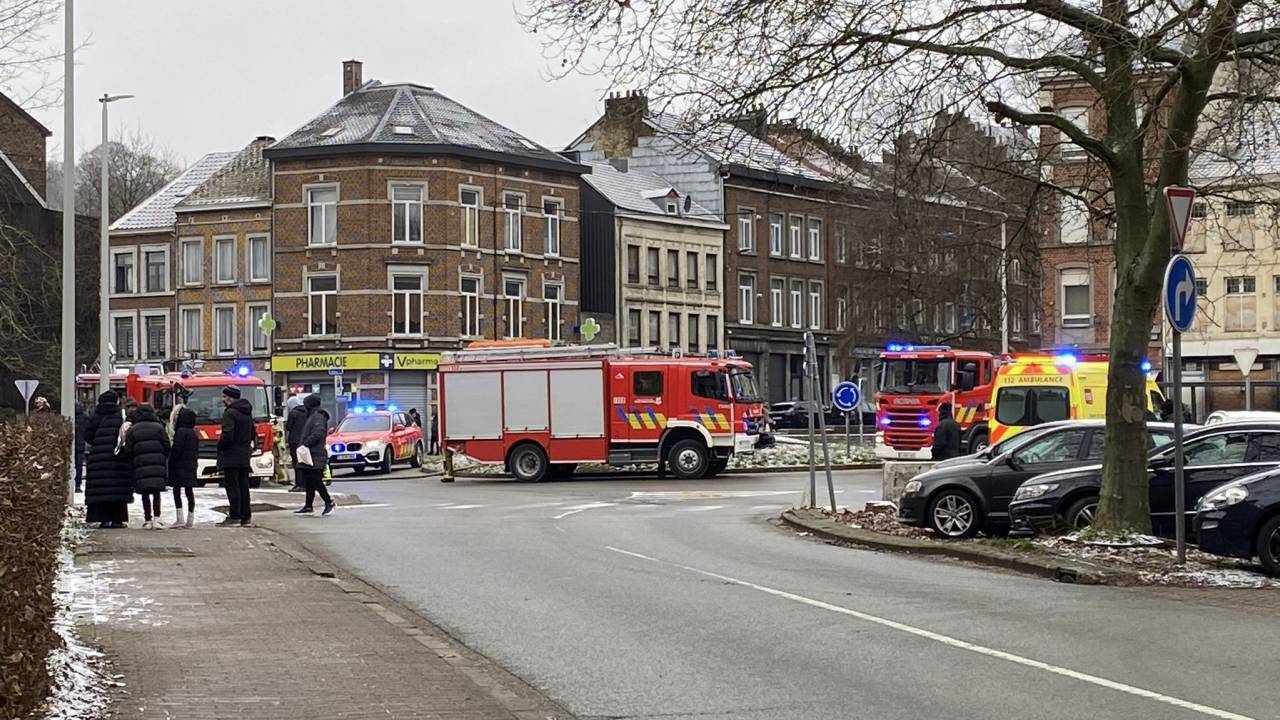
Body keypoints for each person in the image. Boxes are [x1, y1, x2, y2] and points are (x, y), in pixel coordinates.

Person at [84, 391, 133, 528]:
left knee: (101, 488)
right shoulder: (121, 416)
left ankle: (103, 518)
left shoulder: (95, 416)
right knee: (117, 487)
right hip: (117, 457)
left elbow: (87, 435)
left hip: (98, 458)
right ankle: (117, 519)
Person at [124, 404, 170, 530]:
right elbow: (167, 446)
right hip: (157, 464)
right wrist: (162, 457)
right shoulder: (159, 427)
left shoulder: (133, 429)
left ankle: (147, 519)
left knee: (145, 493)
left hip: (141, 465)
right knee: (156, 493)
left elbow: (128, 450)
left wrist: (134, 460)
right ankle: (157, 518)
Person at [216, 386, 255, 527]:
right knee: (244, 486)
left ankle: (234, 516)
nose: (223, 400)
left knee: (232, 486)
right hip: (244, 455)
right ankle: (246, 516)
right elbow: (252, 433)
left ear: (229, 398)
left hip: (231, 455)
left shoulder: (230, 413)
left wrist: (220, 446)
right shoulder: (247, 412)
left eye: (224, 397)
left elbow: (228, 435)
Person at [294, 394, 335, 516]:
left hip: (315, 454)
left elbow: (318, 433)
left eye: (306, 404)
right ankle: (308, 506)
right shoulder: (313, 415)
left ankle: (329, 502)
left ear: (310, 405)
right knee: (309, 481)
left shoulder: (317, 417)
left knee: (316, 480)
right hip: (311, 454)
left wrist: (305, 444)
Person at [168, 406, 199, 528]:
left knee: (177, 491)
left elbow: (177, 449)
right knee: (189, 492)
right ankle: (190, 518)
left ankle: (179, 517)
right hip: (191, 465)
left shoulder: (180, 432)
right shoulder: (194, 432)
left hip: (179, 465)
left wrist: (171, 461)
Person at [284, 395, 309, 492]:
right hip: (304, 441)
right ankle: (305, 483)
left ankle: (299, 483)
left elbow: (289, 427)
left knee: (296, 463)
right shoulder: (306, 412)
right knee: (303, 462)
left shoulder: (293, 413)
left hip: (294, 441)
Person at [74, 401, 89, 493]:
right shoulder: (85, 418)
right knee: (79, 466)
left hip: (72, 444)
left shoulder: (70, 416)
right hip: (80, 444)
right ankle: (78, 485)